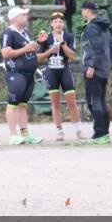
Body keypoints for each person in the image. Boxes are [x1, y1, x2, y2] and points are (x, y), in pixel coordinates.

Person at [0, 7, 44, 145]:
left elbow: (30, 49)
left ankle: (25, 134)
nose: (26, 17)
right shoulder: (9, 33)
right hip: (16, 73)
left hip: (29, 74)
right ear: (15, 18)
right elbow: (6, 53)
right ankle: (13, 135)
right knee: (12, 103)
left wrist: (39, 43)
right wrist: (25, 49)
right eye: (23, 14)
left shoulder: (25, 32)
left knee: (23, 105)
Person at [37, 11, 83, 141]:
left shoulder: (69, 36)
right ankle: (59, 131)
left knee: (71, 102)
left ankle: (78, 130)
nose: (58, 24)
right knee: (55, 103)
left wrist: (63, 43)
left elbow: (72, 56)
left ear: (64, 24)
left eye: (60, 22)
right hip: (52, 71)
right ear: (51, 24)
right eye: (55, 22)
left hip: (64, 70)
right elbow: (39, 58)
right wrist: (50, 51)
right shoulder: (46, 38)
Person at [79, 1, 112, 144]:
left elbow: (97, 48)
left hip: (94, 70)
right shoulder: (103, 26)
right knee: (100, 100)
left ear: (87, 10)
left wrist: (92, 66)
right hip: (104, 68)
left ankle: (99, 134)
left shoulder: (91, 28)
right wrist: (106, 62)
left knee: (93, 101)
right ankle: (104, 133)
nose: (81, 13)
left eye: (82, 10)